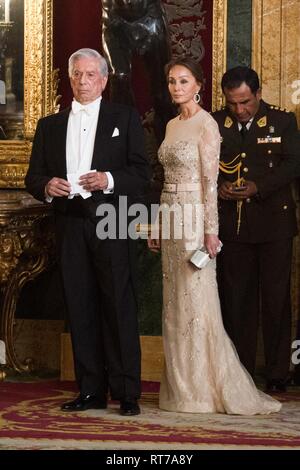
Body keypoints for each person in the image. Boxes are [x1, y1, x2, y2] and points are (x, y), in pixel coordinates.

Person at [148, 56, 281, 415]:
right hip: (172, 218)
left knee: (196, 304)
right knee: (174, 305)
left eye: (184, 81)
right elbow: (166, 181)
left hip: (194, 220)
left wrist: (211, 233)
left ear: (199, 85)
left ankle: (203, 391)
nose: (177, 87)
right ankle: (180, 390)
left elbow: (209, 183)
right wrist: (159, 224)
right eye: (173, 81)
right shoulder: (171, 124)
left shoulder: (208, 124)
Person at [25, 48, 150, 416]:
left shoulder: (124, 118)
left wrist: (107, 179)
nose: (83, 81)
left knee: (118, 305)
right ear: (70, 78)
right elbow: (34, 177)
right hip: (70, 224)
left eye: (91, 74)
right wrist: (47, 185)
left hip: (112, 220)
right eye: (77, 74)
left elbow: (142, 173)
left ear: (104, 79)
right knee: (79, 308)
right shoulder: (49, 125)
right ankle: (91, 390)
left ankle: (128, 392)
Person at [212, 66, 300, 393]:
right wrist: (219, 186)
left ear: (258, 94)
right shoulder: (214, 122)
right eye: (233, 103)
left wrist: (258, 186)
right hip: (233, 226)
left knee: (276, 300)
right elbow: (203, 163)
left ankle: (278, 373)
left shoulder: (282, 121)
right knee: (237, 301)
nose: (240, 110)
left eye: (246, 102)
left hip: (275, 224)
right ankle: (241, 371)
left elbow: (294, 163)